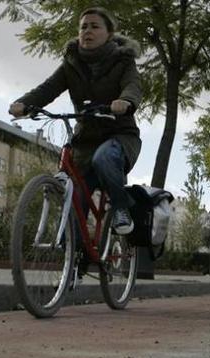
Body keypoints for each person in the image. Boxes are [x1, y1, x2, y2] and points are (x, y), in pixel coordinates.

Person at [9, 6, 142, 236]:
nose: (87, 31)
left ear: (109, 34)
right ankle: (73, 260)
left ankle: (121, 207)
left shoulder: (123, 61)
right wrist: (23, 103)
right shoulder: (72, 63)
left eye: (94, 26)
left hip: (118, 136)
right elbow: (48, 88)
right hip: (85, 141)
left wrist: (125, 101)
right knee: (74, 202)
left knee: (104, 157)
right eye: (83, 27)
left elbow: (133, 85)